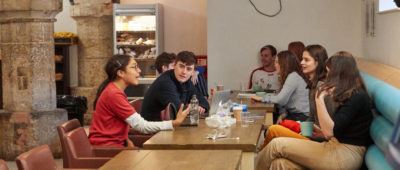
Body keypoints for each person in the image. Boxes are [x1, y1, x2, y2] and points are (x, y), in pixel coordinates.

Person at [256, 51, 373, 170]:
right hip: (335, 146)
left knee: (276, 145)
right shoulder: (349, 94)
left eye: (328, 72)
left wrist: (319, 98)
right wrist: (321, 133)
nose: (327, 77)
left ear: (338, 73)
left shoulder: (357, 96)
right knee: (279, 163)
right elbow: (336, 130)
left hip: (346, 155)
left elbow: (330, 132)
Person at [88, 54, 190, 148]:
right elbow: (142, 126)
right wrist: (174, 123)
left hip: (116, 145)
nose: (139, 70)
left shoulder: (113, 91)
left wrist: (126, 139)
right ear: (120, 73)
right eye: (134, 67)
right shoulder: (113, 94)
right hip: (107, 150)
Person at [261, 44, 330, 148]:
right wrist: (297, 125)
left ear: (317, 62)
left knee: (272, 130)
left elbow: (326, 127)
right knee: (272, 130)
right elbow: (311, 117)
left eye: (306, 60)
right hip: (309, 129)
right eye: (302, 59)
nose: (301, 63)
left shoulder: (322, 88)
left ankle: (260, 159)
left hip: (316, 136)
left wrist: (300, 128)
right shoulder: (314, 83)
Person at [141, 51, 210, 121]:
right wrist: (195, 109)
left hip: (170, 124)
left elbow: (204, 102)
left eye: (188, 69)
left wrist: (201, 107)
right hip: (155, 129)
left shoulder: (186, 81)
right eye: (181, 66)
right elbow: (179, 110)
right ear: (174, 65)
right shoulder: (165, 82)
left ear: (193, 72)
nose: (184, 72)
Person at [251, 50, 310, 124]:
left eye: (277, 62)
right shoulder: (290, 76)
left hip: (302, 117)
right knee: (270, 125)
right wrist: (282, 114)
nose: (275, 65)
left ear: (284, 64)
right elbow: (283, 99)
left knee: (268, 129)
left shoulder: (293, 77)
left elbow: (280, 99)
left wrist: (262, 98)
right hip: (295, 114)